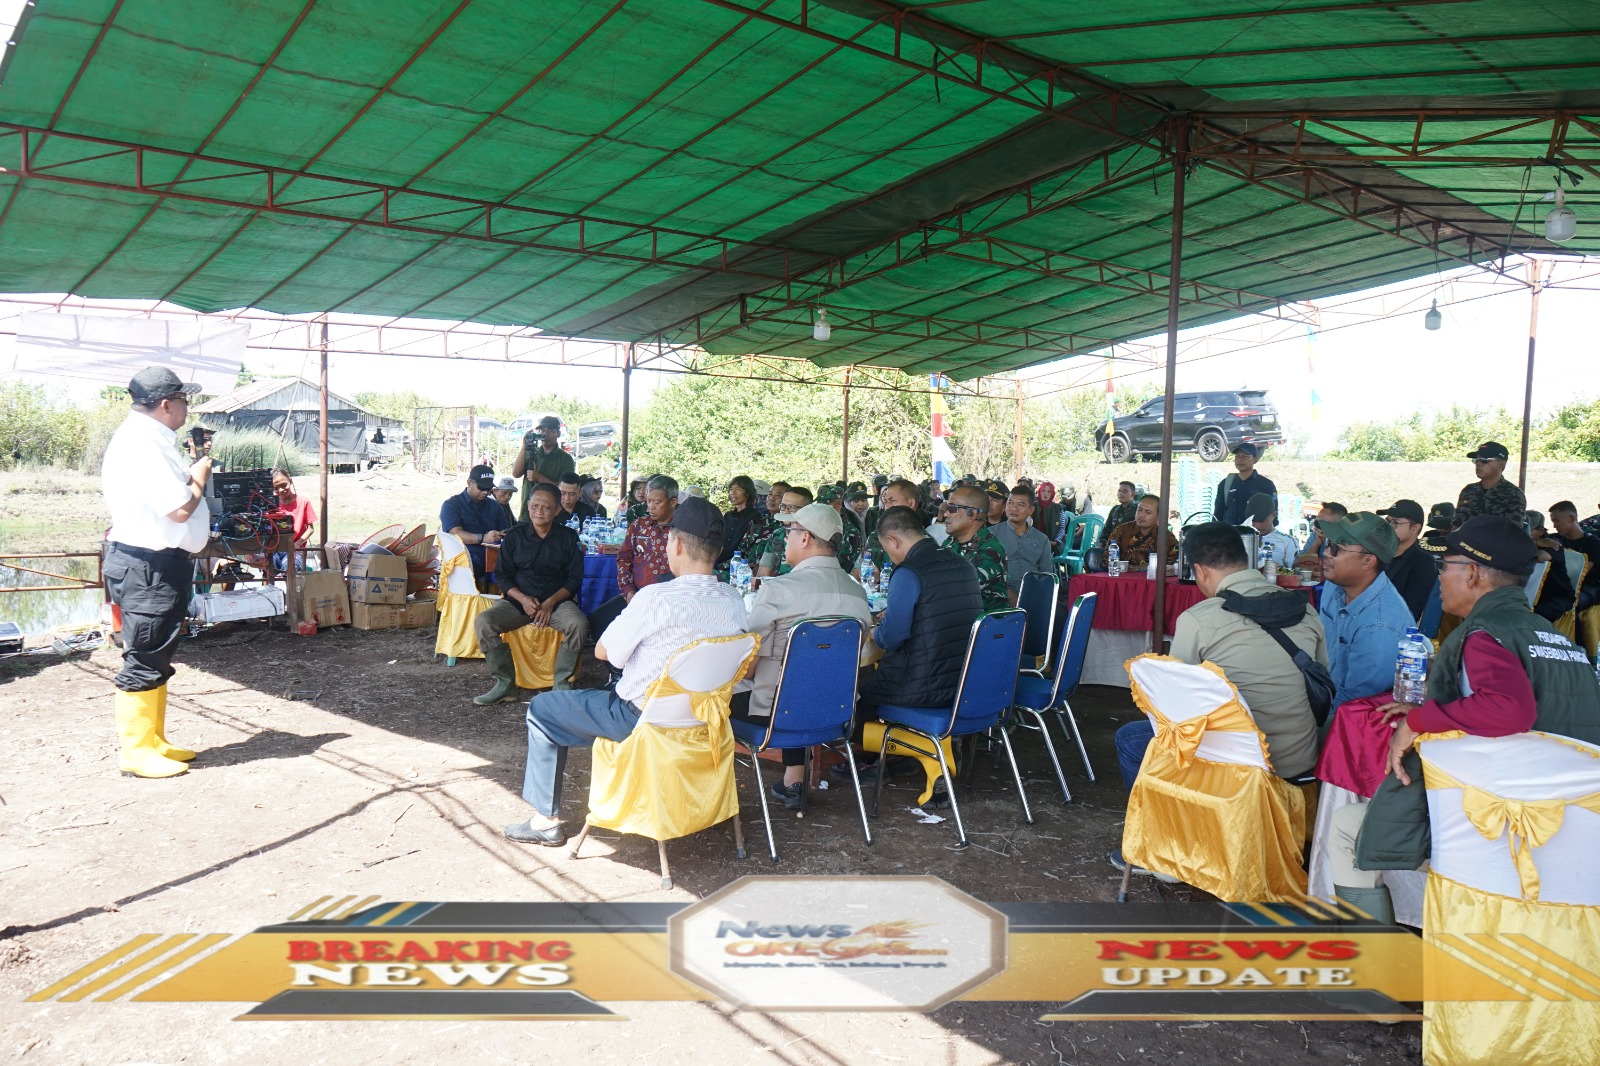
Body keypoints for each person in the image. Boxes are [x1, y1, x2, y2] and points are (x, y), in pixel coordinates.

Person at [1328, 515, 1600, 923]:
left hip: (1499, 829)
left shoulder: (1485, 633)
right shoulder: (1555, 637)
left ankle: (1372, 952)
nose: (1439, 577)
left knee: (1348, 827)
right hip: (1573, 832)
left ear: (1473, 573)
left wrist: (1418, 721)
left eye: (1445, 566)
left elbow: (1509, 708)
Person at [502, 497, 748, 847]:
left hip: (641, 720)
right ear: (718, 549)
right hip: (704, 722)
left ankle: (545, 821)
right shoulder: (734, 600)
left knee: (543, 710)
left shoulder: (655, 598)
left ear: (677, 544)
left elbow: (605, 653)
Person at [1113, 521, 1326, 792]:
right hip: (1302, 759)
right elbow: (1322, 679)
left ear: (1200, 571)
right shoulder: (1306, 611)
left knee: (1129, 740)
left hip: (1239, 766)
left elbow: (1177, 705)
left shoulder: (1198, 619)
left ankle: (1174, 813)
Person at [99, 367, 211, 779]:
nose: (186, 409)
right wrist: (199, 478)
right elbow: (178, 509)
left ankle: (153, 741)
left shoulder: (149, 438)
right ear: (166, 404)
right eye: (184, 401)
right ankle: (136, 751)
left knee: (157, 653)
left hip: (156, 562)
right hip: (148, 564)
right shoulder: (143, 443)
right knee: (145, 657)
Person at [732, 502, 874, 809]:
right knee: (802, 680)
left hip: (773, 715)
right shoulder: (857, 593)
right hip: (835, 711)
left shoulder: (777, 591)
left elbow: (749, 667)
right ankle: (792, 780)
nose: (786, 538)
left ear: (805, 537)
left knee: (709, 698)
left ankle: (703, 795)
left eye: (789, 531)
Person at [858, 505, 983, 717]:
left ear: (893, 541)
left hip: (921, 687)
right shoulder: (963, 564)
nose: (890, 555)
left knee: (853, 700)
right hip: (964, 685)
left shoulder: (908, 571)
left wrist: (875, 632)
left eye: (886, 549)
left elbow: (892, 638)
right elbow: (941, 611)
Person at [472, 483, 587, 705]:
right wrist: (523, 599)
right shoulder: (514, 536)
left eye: (546, 507)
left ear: (557, 510)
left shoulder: (567, 537)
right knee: (484, 622)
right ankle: (505, 684)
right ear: (528, 505)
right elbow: (502, 576)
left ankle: (561, 683)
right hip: (519, 602)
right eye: (535, 506)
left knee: (578, 624)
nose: (539, 511)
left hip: (557, 603)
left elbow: (574, 579)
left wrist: (550, 603)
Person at [1316, 512, 1414, 707]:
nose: (1326, 552)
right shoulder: (1335, 585)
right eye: (1328, 544)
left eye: (1337, 548)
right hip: (1322, 693)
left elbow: (1356, 704)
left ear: (1368, 561)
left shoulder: (1380, 625)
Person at [589, 474, 677, 637]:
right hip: (636, 595)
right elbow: (624, 559)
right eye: (648, 501)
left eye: (657, 502)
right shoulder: (638, 525)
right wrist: (628, 591)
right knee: (598, 620)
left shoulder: (681, 530)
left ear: (673, 502)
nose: (651, 507)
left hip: (669, 601)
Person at [940, 484, 1010, 613]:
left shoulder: (990, 550)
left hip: (985, 623)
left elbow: (954, 591)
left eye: (952, 508)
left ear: (972, 514)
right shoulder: (951, 541)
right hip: (956, 616)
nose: (946, 513)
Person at [440, 464, 509, 585]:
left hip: (493, 558)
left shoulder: (494, 506)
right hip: (464, 558)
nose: (485, 492)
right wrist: (483, 538)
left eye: (488, 488)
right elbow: (455, 534)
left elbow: (505, 532)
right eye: (481, 488)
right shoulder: (452, 505)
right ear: (469, 483)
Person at [1377, 499, 1436, 622]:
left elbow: (1411, 611)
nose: (1388, 528)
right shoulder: (1378, 552)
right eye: (1387, 521)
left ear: (1414, 528)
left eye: (1395, 523)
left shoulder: (1423, 563)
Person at [994, 484, 1053, 605]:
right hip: (1000, 594)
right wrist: (1009, 594)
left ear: (1031, 510)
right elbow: (988, 575)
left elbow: (1047, 575)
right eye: (1010, 503)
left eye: (1020, 505)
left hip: (1033, 592)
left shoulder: (1042, 539)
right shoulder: (992, 535)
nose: (1013, 509)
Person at [512, 415, 575, 523]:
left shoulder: (565, 459)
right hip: (527, 514)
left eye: (550, 431)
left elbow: (566, 489)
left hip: (550, 516)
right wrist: (524, 447)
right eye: (542, 430)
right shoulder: (532, 453)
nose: (545, 434)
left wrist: (539, 478)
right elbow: (516, 473)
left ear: (558, 433)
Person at [1454, 440, 1526, 526]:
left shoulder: (1513, 494)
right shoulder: (1468, 491)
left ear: (1501, 464)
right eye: (1476, 460)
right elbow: (1456, 526)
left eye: (1484, 460)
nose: (1478, 464)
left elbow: (1513, 531)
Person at [1549, 500, 1600, 618]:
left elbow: (1579, 574)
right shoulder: (1556, 540)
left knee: (1567, 606)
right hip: (1564, 586)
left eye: (1557, 521)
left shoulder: (1593, 544)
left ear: (1572, 518)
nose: (1554, 526)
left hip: (1588, 588)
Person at [1525, 510, 1575, 625]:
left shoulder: (1553, 543)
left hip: (1557, 596)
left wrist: (1532, 542)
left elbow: (1539, 557)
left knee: (1535, 620)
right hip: (1531, 595)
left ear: (1540, 531)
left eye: (1527, 530)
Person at [1104, 494, 1178, 572]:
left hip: (1153, 579)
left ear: (1159, 517)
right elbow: (1106, 561)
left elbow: (1173, 565)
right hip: (1123, 577)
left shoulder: (1166, 537)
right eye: (1139, 510)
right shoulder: (1121, 530)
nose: (1141, 515)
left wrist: (1139, 568)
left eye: (1148, 512)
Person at [754, 485, 811, 580]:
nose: (786, 511)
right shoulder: (777, 534)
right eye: (783, 506)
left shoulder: (814, 538)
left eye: (792, 507)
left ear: (807, 510)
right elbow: (762, 574)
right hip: (775, 586)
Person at [1213, 443, 1277, 526]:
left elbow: (1273, 516)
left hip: (1255, 532)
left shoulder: (1267, 485)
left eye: (1245, 457)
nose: (1240, 460)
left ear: (1255, 460)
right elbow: (1218, 514)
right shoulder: (1225, 484)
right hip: (1230, 532)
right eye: (1237, 456)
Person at [861, 478, 919, 569]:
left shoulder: (926, 541)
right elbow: (860, 572)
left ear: (911, 503)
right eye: (886, 502)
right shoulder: (876, 537)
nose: (887, 507)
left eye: (893, 500)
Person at [1291, 500, 1349, 576]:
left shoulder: (1349, 544)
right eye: (1316, 522)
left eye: (1322, 523)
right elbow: (1296, 567)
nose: (1316, 527)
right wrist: (1315, 544)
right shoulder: (1316, 536)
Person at [718, 475, 760, 570]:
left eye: (738, 489)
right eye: (731, 489)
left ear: (748, 493)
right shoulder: (728, 516)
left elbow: (748, 549)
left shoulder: (755, 518)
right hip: (719, 561)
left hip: (738, 566)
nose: (733, 493)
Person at [816, 485, 863, 571]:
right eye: (818, 505)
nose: (819, 510)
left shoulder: (850, 533)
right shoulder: (815, 526)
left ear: (838, 507)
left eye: (824, 507)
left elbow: (846, 568)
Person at [1247, 492, 1296, 568]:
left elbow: (1295, 571)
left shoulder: (1287, 542)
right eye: (1253, 521)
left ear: (1273, 515)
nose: (1257, 526)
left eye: (1262, 521)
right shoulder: (1241, 539)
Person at [1099, 481, 1138, 548]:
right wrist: (1100, 544)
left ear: (1133, 494)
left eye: (1125, 491)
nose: (1120, 493)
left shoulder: (1138, 510)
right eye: (1119, 491)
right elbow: (1106, 530)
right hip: (1112, 546)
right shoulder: (1115, 509)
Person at [1033, 480, 1065, 549]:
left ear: (1052, 493)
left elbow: (1062, 528)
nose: (1046, 493)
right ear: (1040, 491)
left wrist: (1056, 541)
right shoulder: (1032, 507)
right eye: (1043, 490)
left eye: (1049, 491)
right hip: (1033, 543)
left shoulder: (1058, 509)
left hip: (1052, 545)